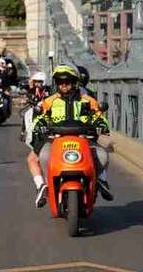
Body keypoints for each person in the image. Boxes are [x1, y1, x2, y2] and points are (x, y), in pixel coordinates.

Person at [27, 64, 112, 208]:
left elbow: (99, 116)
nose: (64, 85)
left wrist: (102, 124)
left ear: (75, 82)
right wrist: (39, 125)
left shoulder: (88, 101)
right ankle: (44, 187)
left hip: (83, 140)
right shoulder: (49, 102)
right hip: (55, 141)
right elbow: (39, 117)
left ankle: (100, 181)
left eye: (67, 81)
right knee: (43, 156)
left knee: (102, 155)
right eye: (60, 82)